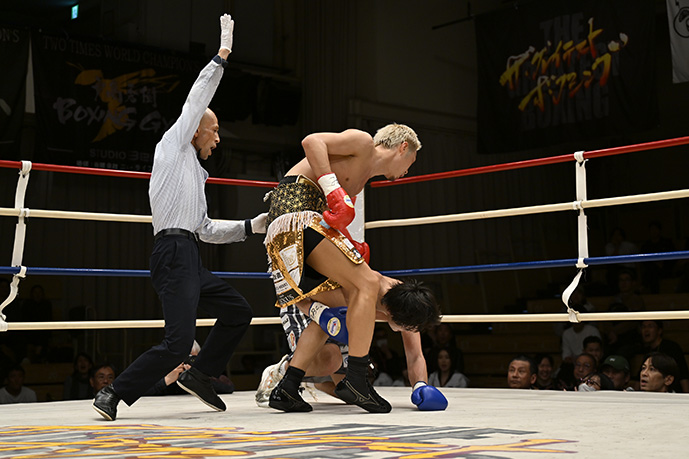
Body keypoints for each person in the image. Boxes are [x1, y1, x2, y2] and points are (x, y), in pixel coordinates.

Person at [92, 14, 267, 421]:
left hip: (188, 254)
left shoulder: (196, 174)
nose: (218, 138)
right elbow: (196, 100)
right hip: (172, 253)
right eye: (214, 130)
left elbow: (204, 229)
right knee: (177, 343)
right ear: (195, 130)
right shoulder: (173, 145)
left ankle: (201, 374)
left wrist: (250, 227)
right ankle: (113, 393)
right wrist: (222, 54)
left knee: (238, 310)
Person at [262, 122, 422, 413]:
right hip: (295, 213)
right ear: (403, 147)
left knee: (342, 301)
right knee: (367, 283)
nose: (408, 170)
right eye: (411, 161)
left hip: (297, 230)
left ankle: (287, 387)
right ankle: (357, 380)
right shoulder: (363, 143)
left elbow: (332, 217)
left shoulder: (359, 184)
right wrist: (332, 188)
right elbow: (312, 142)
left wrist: (348, 241)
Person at [262, 278, 443, 413]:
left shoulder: (408, 304)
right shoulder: (357, 292)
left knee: (352, 391)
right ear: (391, 313)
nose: (411, 331)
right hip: (304, 304)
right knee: (330, 359)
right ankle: (281, 371)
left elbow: (415, 355)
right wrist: (319, 313)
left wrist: (420, 386)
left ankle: (316, 382)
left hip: (343, 317)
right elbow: (299, 294)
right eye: (409, 328)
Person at [628, 320, 689, 393]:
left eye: (650, 326)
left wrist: (686, 396)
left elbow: (683, 375)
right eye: (643, 327)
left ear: (659, 330)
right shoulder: (646, 350)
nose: (646, 330)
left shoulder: (671, 348)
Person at [640, 221, 675, 293]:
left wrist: (663, 264)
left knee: (652, 272)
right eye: (652, 229)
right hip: (651, 269)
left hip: (665, 269)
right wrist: (654, 263)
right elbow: (643, 260)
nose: (654, 231)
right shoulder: (646, 245)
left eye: (655, 229)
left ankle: (644, 286)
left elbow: (673, 257)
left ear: (659, 230)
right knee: (652, 271)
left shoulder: (667, 243)